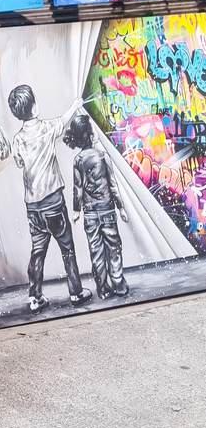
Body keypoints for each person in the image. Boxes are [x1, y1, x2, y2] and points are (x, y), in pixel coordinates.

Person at [7, 85, 93, 314]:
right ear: (34, 107)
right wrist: (75, 105)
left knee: (38, 251)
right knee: (67, 248)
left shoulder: (18, 139)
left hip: (32, 206)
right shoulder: (46, 129)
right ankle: (76, 292)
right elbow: (64, 121)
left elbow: (19, 163)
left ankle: (35, 297)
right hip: (53, 201)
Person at [63, 114, 130, 299]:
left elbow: (77, 188)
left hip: (90, 214)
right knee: (114, 248)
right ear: (91, 134)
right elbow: (113, 184)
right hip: (107, 210)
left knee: (96, 251)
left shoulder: (78, 160)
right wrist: (121, 208)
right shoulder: (102, 155)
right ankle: (119, 283)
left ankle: (103, 288)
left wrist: (76, 210)